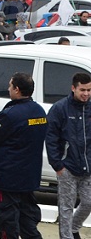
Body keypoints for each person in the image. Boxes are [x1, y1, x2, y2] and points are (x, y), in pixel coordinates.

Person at [0, 72, 47, 239]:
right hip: (28, 179)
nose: (8, 89)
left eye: (10, 86)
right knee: (28, 224)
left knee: (7, 223)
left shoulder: (10, 114)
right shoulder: (39, 112)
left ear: (17, 89)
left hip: (7, 180)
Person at [46, 72, 91, 239]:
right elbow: (51, 138)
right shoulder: (59, 108)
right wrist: (57, 165)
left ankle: (74, 228)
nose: (86, 93)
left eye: (89, 90)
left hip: (88, 167)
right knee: (65, 208)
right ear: (73, 88)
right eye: (82, 90)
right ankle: (67, 236)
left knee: (88, 202)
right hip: (67, 167)